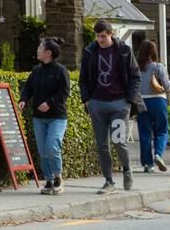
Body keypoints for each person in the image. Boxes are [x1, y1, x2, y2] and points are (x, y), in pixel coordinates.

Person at [79, 19, 145, 193]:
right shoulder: (90, 51)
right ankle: (109, 181)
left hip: (118, 104)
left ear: (111, 34)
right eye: (97, 36)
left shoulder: (123, 51)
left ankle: (127, 169)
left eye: (103, 36)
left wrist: (128, 101)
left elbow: (135, 76)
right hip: (97, 104)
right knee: (102, 144)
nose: (100, 40)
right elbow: (83, 78)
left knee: (118, 141)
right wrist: (87, 100)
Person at [19, 37, 69, 194]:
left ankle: (57, 177)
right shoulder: (36, 71)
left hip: (57, 117)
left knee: (52, 146)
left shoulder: (61, 70)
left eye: (40, 47)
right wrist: (23, 100)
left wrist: (50, 102)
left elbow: (64, 92)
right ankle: (48, 180)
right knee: (42, 150)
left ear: (48, 53)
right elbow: (28, 88)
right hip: (38, 117)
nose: (37, 50)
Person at [135, 39, 168, 173]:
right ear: (153, 51)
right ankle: (158, 155)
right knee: (161, 131)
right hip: (158, 101)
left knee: (144, 134)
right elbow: (167, 86)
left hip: (141, 102)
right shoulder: (158, 66)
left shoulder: (135, 68)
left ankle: (148, 164)